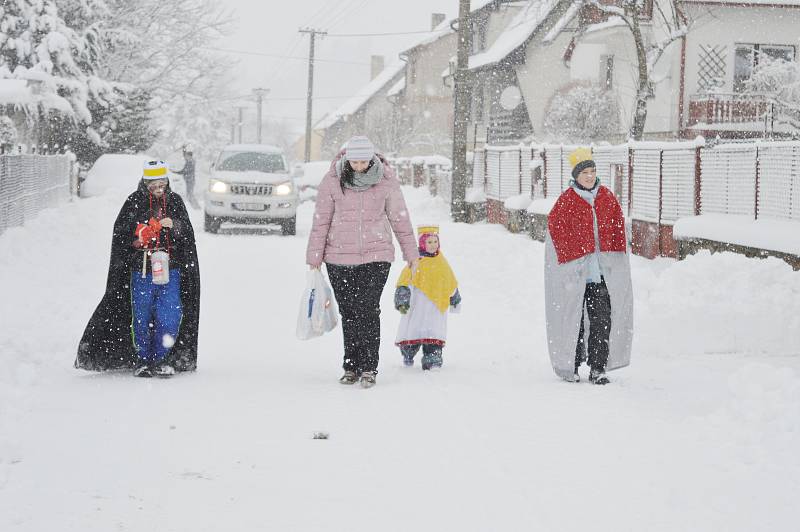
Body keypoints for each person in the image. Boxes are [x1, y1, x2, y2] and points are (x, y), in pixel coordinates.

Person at [306, 136, 419, 388]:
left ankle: (369, 367)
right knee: (349, 311)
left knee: (368, 309)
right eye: (354, 161)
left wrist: (411, 254)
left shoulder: (386, 181)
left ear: (372, 159)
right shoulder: (333, 181)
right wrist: (314, 256)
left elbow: (400, 219)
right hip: (338, 257)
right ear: (346, 159)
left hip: (376, 256)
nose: (358, 166)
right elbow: (320, 221)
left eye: (363, 161)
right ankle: (351, 366)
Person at [75, 160, 201, 377]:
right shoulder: (134, 202)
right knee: (140, 315)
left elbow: (187, 235)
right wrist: (141, 234)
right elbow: (122, 234)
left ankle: (162, 358)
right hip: (141, 270)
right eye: (153, 185)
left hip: (172, 270)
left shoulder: (175, 202)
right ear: (145, 183)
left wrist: (175, 227)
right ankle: (142, 359)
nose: (158, 189)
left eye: (162, 184)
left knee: (169, 314)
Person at [544, 148, 633, 385]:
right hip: (575, 275)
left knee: (601, 321)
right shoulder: (566, 202)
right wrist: (574, 256)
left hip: (601, 273)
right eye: (585, 172)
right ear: (576, 175)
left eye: (592, 171)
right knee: (574, 321)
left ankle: (598, 368)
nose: (590, 176)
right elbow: (556, 235)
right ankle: (571, 365)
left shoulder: (606, 197)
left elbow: (617, 231)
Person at [394, 225, 461, 370]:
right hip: (418, 304)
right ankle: (408, 352)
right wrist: (403, 298)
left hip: (436, 307)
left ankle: (433, 358)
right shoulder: (416, 261)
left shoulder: (442, 262)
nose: (433, 245)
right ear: (423, 243)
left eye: (435, 242)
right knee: (414, 330)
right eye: (429, 242)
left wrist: (454, 296)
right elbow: (405, 281)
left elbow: (449, 280)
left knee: (434, 332)